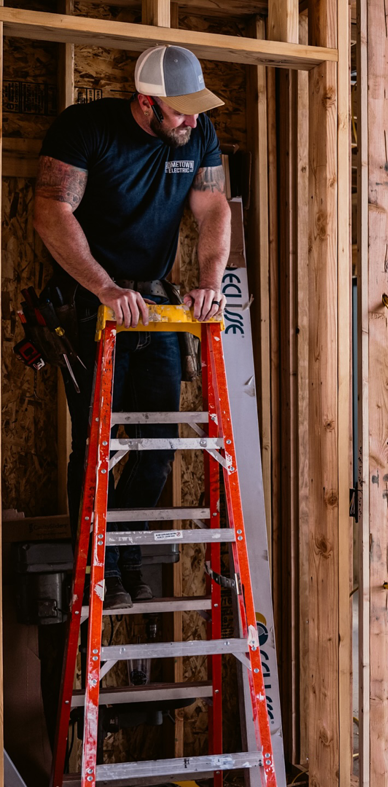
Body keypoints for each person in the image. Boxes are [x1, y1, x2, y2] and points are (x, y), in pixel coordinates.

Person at [33, 44, 231, 610]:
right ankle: (98, 563)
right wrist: (104, 287)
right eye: (181, 111)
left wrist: (208, 282)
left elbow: (214, 208)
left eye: (196, 110)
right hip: (91, 303)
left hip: (153, 303)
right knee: (100, 444)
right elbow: (52, 210)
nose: (193, 120)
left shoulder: (197, 134)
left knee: (160, 443)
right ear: (146, 103)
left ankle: (124, 556)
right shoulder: (85, 129)